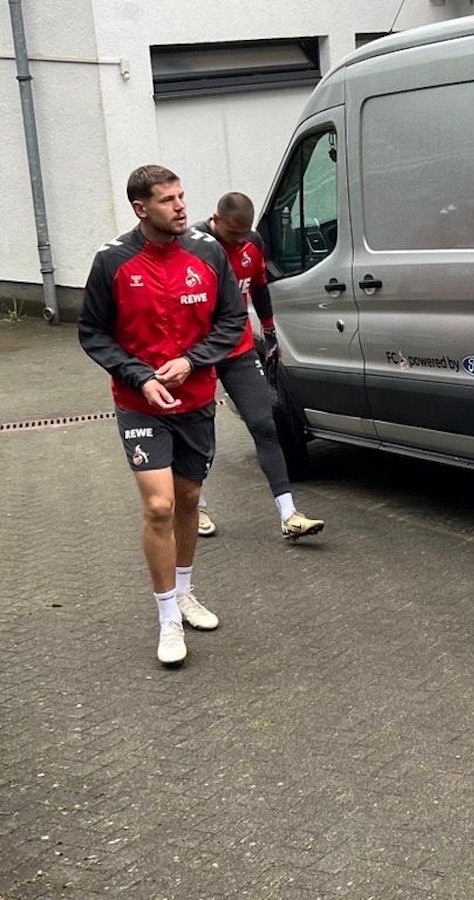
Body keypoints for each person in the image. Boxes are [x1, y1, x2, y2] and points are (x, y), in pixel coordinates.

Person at [78, 164, 247, 666]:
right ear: (140, 208)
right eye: (167, 199)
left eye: (181, 196)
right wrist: (141, 376)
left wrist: (193, 359)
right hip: (140, 404)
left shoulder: (207, 251)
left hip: (196, 401)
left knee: (190, 499)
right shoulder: (112, 262)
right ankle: (167, 616)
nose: (180, 206)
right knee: (159, 507)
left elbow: (232, 319)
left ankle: (187, 591)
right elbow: (93, 332)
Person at [192, 192, 324, 541]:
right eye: (233, 234)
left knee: (264, 423)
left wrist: (269, 330)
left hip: (237, 348)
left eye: (244, 233)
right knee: (199, 433)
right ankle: (196, 507)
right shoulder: (193, 246)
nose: (239, 240)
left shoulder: (252, 242)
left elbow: (260, 287)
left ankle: (289, 514)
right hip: (198, 353)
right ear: (215, 219)